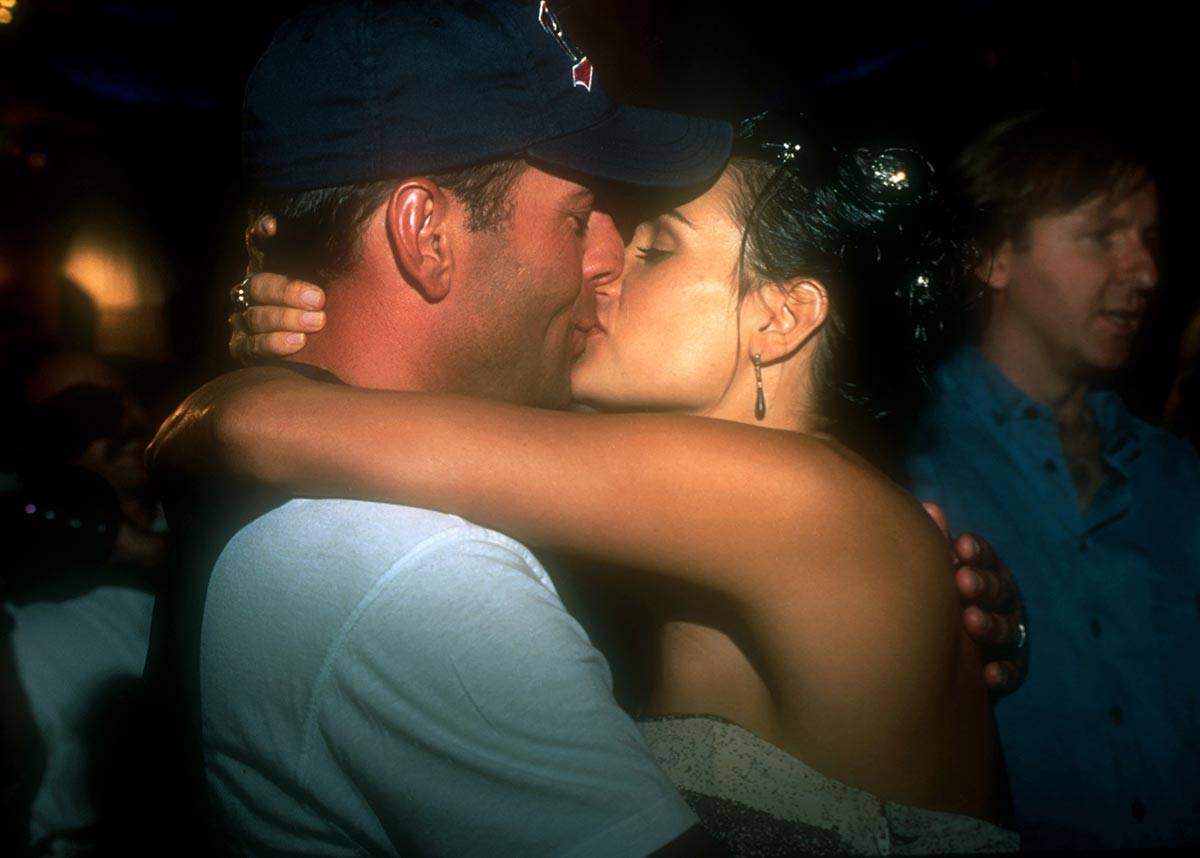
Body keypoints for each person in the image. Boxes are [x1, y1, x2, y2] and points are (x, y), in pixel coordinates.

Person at [154, 107, 1026, 850]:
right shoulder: (742, 516)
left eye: (657, 249)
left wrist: (245, 376)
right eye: (595, 227)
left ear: (780, 317)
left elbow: (256, 426)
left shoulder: (798, 496)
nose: (601, 272)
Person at [903, 110, 1200, 849]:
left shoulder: (1177, 473)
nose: (1146, 272)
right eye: (1103, 236)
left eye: (1149, 238)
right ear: (993, 257)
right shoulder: (906, 468)